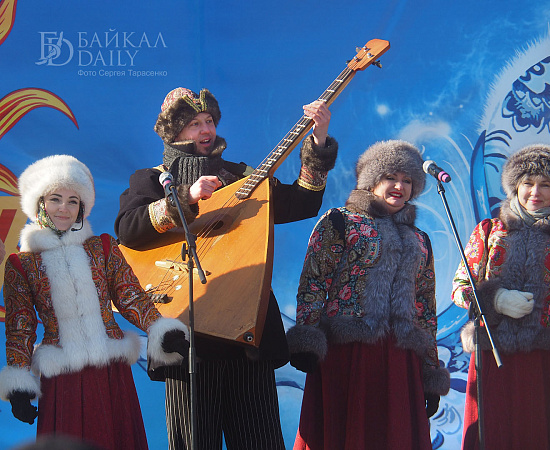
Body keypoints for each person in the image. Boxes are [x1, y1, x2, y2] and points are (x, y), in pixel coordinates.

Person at [114, 87, 338, 450]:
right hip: (188, 335)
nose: (206, 130)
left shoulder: (241, 175)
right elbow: (127, 230)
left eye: (209, 121)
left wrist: (319, 140)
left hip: (246, 329)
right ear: (173, 132)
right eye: (194, 124)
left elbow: (302, 203)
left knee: (260, 441)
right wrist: (185, 196)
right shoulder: (153, 179)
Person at [0, 154, 189, 450]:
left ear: (82, 207)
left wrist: (161, 330)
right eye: (55, 199)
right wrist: (19, 385)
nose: (64, 208)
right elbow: (20, 328)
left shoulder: (102, 247)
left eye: (73, 201)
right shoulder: (21, 265)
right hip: (62, 378)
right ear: (40, 203)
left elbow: (130, 296)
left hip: (111, 371)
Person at [286, 140, 451, 450]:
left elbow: (425, 309)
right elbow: (314, 282)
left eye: (407, 180)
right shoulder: (339, 221)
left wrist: (429, 370)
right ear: (372, 180)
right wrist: (307, 338)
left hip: (400, 360)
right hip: (347, 354)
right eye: (391, 177)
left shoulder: (420, 239)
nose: (399, 186)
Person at [452, 144, 550, 449]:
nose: (535, 192)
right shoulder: (489, 231)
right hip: (493, 352)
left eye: (545, 184)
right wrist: (496, 300)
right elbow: (461, 288)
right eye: (528, 183)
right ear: (515, 187)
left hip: (547, 359)